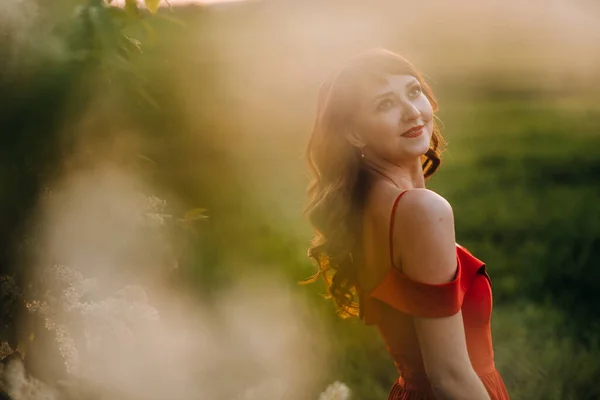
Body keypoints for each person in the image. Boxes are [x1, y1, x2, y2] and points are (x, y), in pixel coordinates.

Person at [303, 49, 510, 399]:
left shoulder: (366, 203)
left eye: (413, 92)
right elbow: (449, 377)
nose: (412, 112)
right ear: (354, 133)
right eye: (385, 104)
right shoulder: (420, 211)